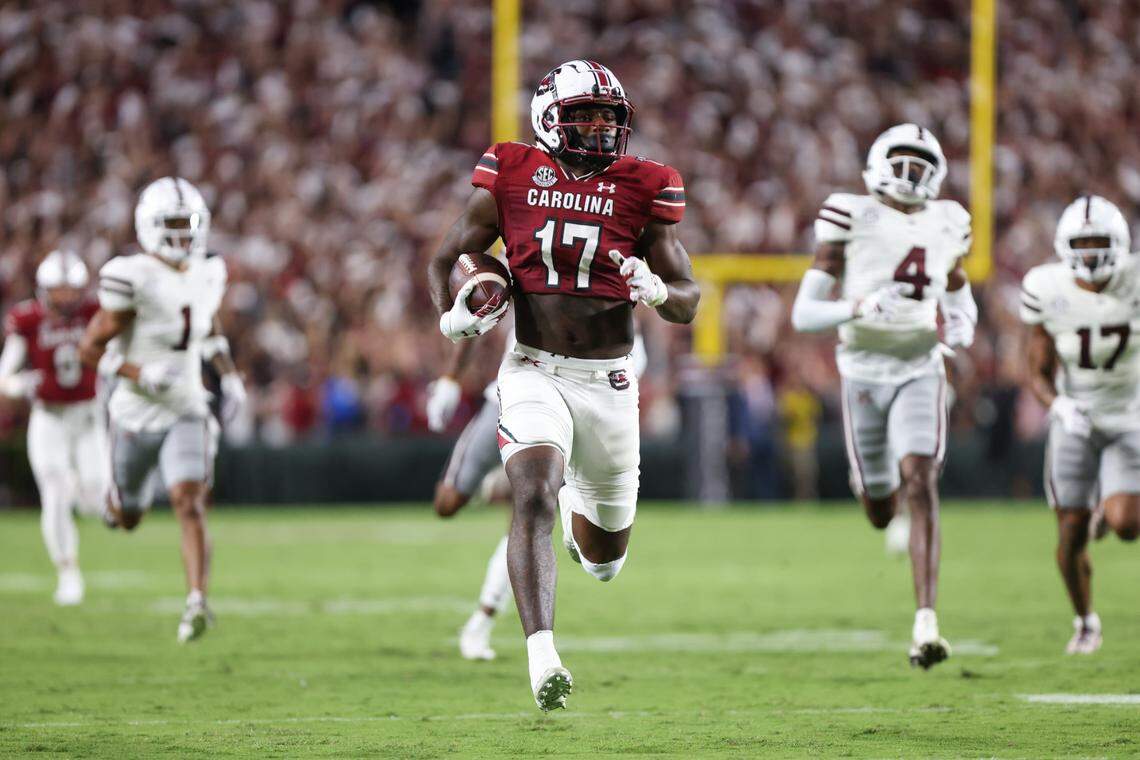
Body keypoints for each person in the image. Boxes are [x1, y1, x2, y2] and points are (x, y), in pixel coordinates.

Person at [427, 60, 699, 710]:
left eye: (610, 116)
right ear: (551, 117)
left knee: (604, 559)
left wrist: (659, 291)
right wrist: (453, 315)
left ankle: (584, 536)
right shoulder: (512, 171)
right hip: (532, 367)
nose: (602, 126)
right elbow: (446, 258)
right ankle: (541, 653)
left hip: (607, 383)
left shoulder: (645, 185)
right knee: (532, 495)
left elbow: (689, 299)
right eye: (587, 114)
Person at [790, 124, 976, 669]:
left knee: (922, 477)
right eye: (903, 162)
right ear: (878, 163)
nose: (912, 174)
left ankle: (926, 623)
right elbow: (804, 315)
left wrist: (961, 327)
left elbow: (959, 286)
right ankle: (880, 501)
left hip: (920, 365)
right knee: (878, 505)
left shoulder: (949, 221)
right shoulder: (852, 215)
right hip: (864, 372)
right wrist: (855, 308)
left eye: (922, 165)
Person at [79, 177, 246, 643]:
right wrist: (137, 373)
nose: (183, 236)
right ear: (148, 227)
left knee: (188, 501)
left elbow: (208, 328)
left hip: (186, 405)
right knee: (128, 517)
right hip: (134, 412)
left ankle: (196, 602)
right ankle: (116, 501)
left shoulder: (208, 270)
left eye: (190, 225)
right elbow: (89, 348)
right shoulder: (131, 275)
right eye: (172, 226)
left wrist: (228, 375)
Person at [427, 328, 647, 662]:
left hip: (573, 410)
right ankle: (496, 479)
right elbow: (481, 305)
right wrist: (452, 378)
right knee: (447, 502)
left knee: (526, 514)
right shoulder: (530, 275)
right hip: (512, 394)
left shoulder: (612, 295)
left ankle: (482, 621)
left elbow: (632, 356)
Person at [1020, 195, 1140, 655]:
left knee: (1127, 524)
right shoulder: (1046, 287)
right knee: (1070, 529)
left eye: (1099, 242)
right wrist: (1057, 404)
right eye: (1081, 243)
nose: (1089, 253)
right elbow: (1035, 368)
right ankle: (1086, 621)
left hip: (1129, 416)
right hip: (1076, 417)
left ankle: (1106, 516)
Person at [0, 250, 105, 605]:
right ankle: (68, 572)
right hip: (49, 417)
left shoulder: (96, 313)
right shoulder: (28, 319)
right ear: (44, 290)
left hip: (89, 417)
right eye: (57, 290)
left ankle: (79, 488)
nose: (64, 298)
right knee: (55, 494)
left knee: (94, 502)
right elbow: (5, 377)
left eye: (69, 290)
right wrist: (21, 384)